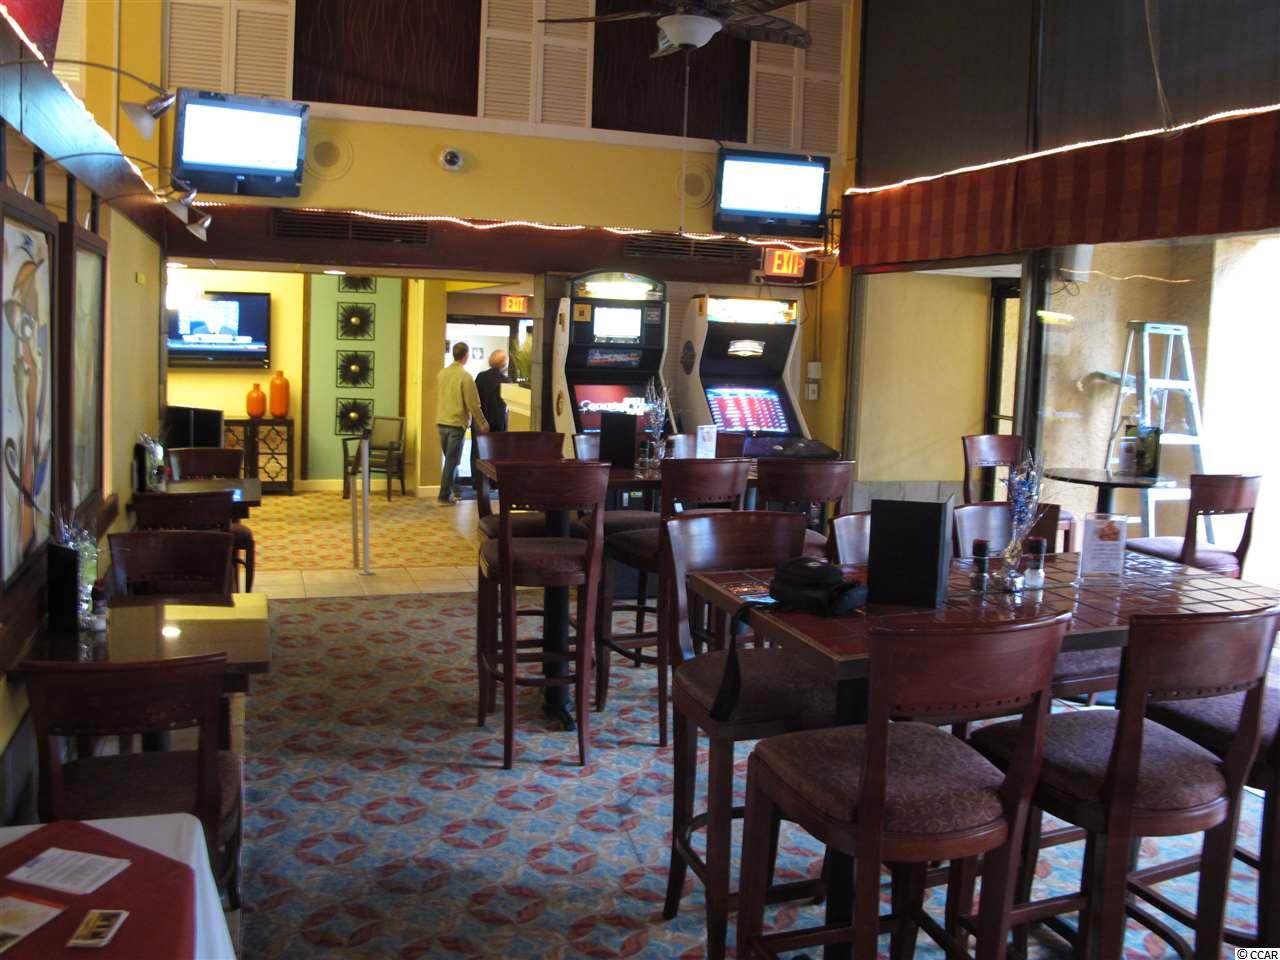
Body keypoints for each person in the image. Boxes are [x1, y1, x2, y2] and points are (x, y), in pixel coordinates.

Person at [436, 341, 488, 504]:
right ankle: (444, 495)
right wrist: (482, 423)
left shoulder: (442, 374)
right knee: (452, 461)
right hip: (456, 424)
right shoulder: (465, 377)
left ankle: (455, 490)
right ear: (466, 356)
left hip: (441, 422)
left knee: (450, 460)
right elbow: (473, 403)